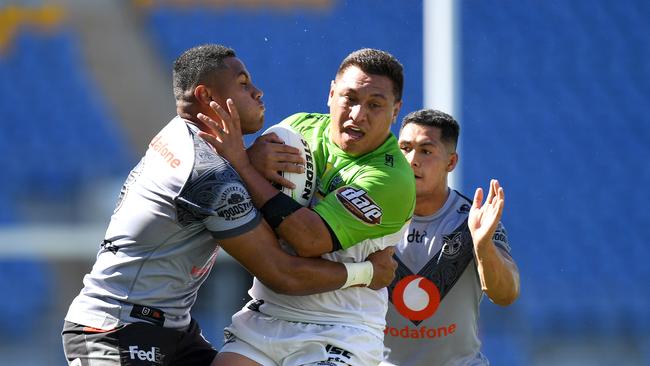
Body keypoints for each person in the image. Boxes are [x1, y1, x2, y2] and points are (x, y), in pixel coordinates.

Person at [61, 44, 398, 366]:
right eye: (243, 84)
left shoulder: (182, 136)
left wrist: (245, 163)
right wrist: (367, 272)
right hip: (112, 329)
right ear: (207, 97)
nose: (257, 92)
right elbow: (281, 273)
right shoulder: (208, 175)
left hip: (171, 329)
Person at [198, 48, 416, 366]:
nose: (358, 114)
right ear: (330, 93)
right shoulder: (297, 130)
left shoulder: (391, 178)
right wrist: (250, 157)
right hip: (267, 315)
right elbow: (235, 191)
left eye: (375, 105)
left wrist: (244, 168)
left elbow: (309, 239)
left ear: (395, 111)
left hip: (339, 330)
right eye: (350, 98)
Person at [381, 109, 520, 366]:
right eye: (405, 148)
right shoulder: (371, 216)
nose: (412, 160)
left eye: (426, 150)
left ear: (451, 162)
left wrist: (482, 246)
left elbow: (506, 294)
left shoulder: (474, 221)